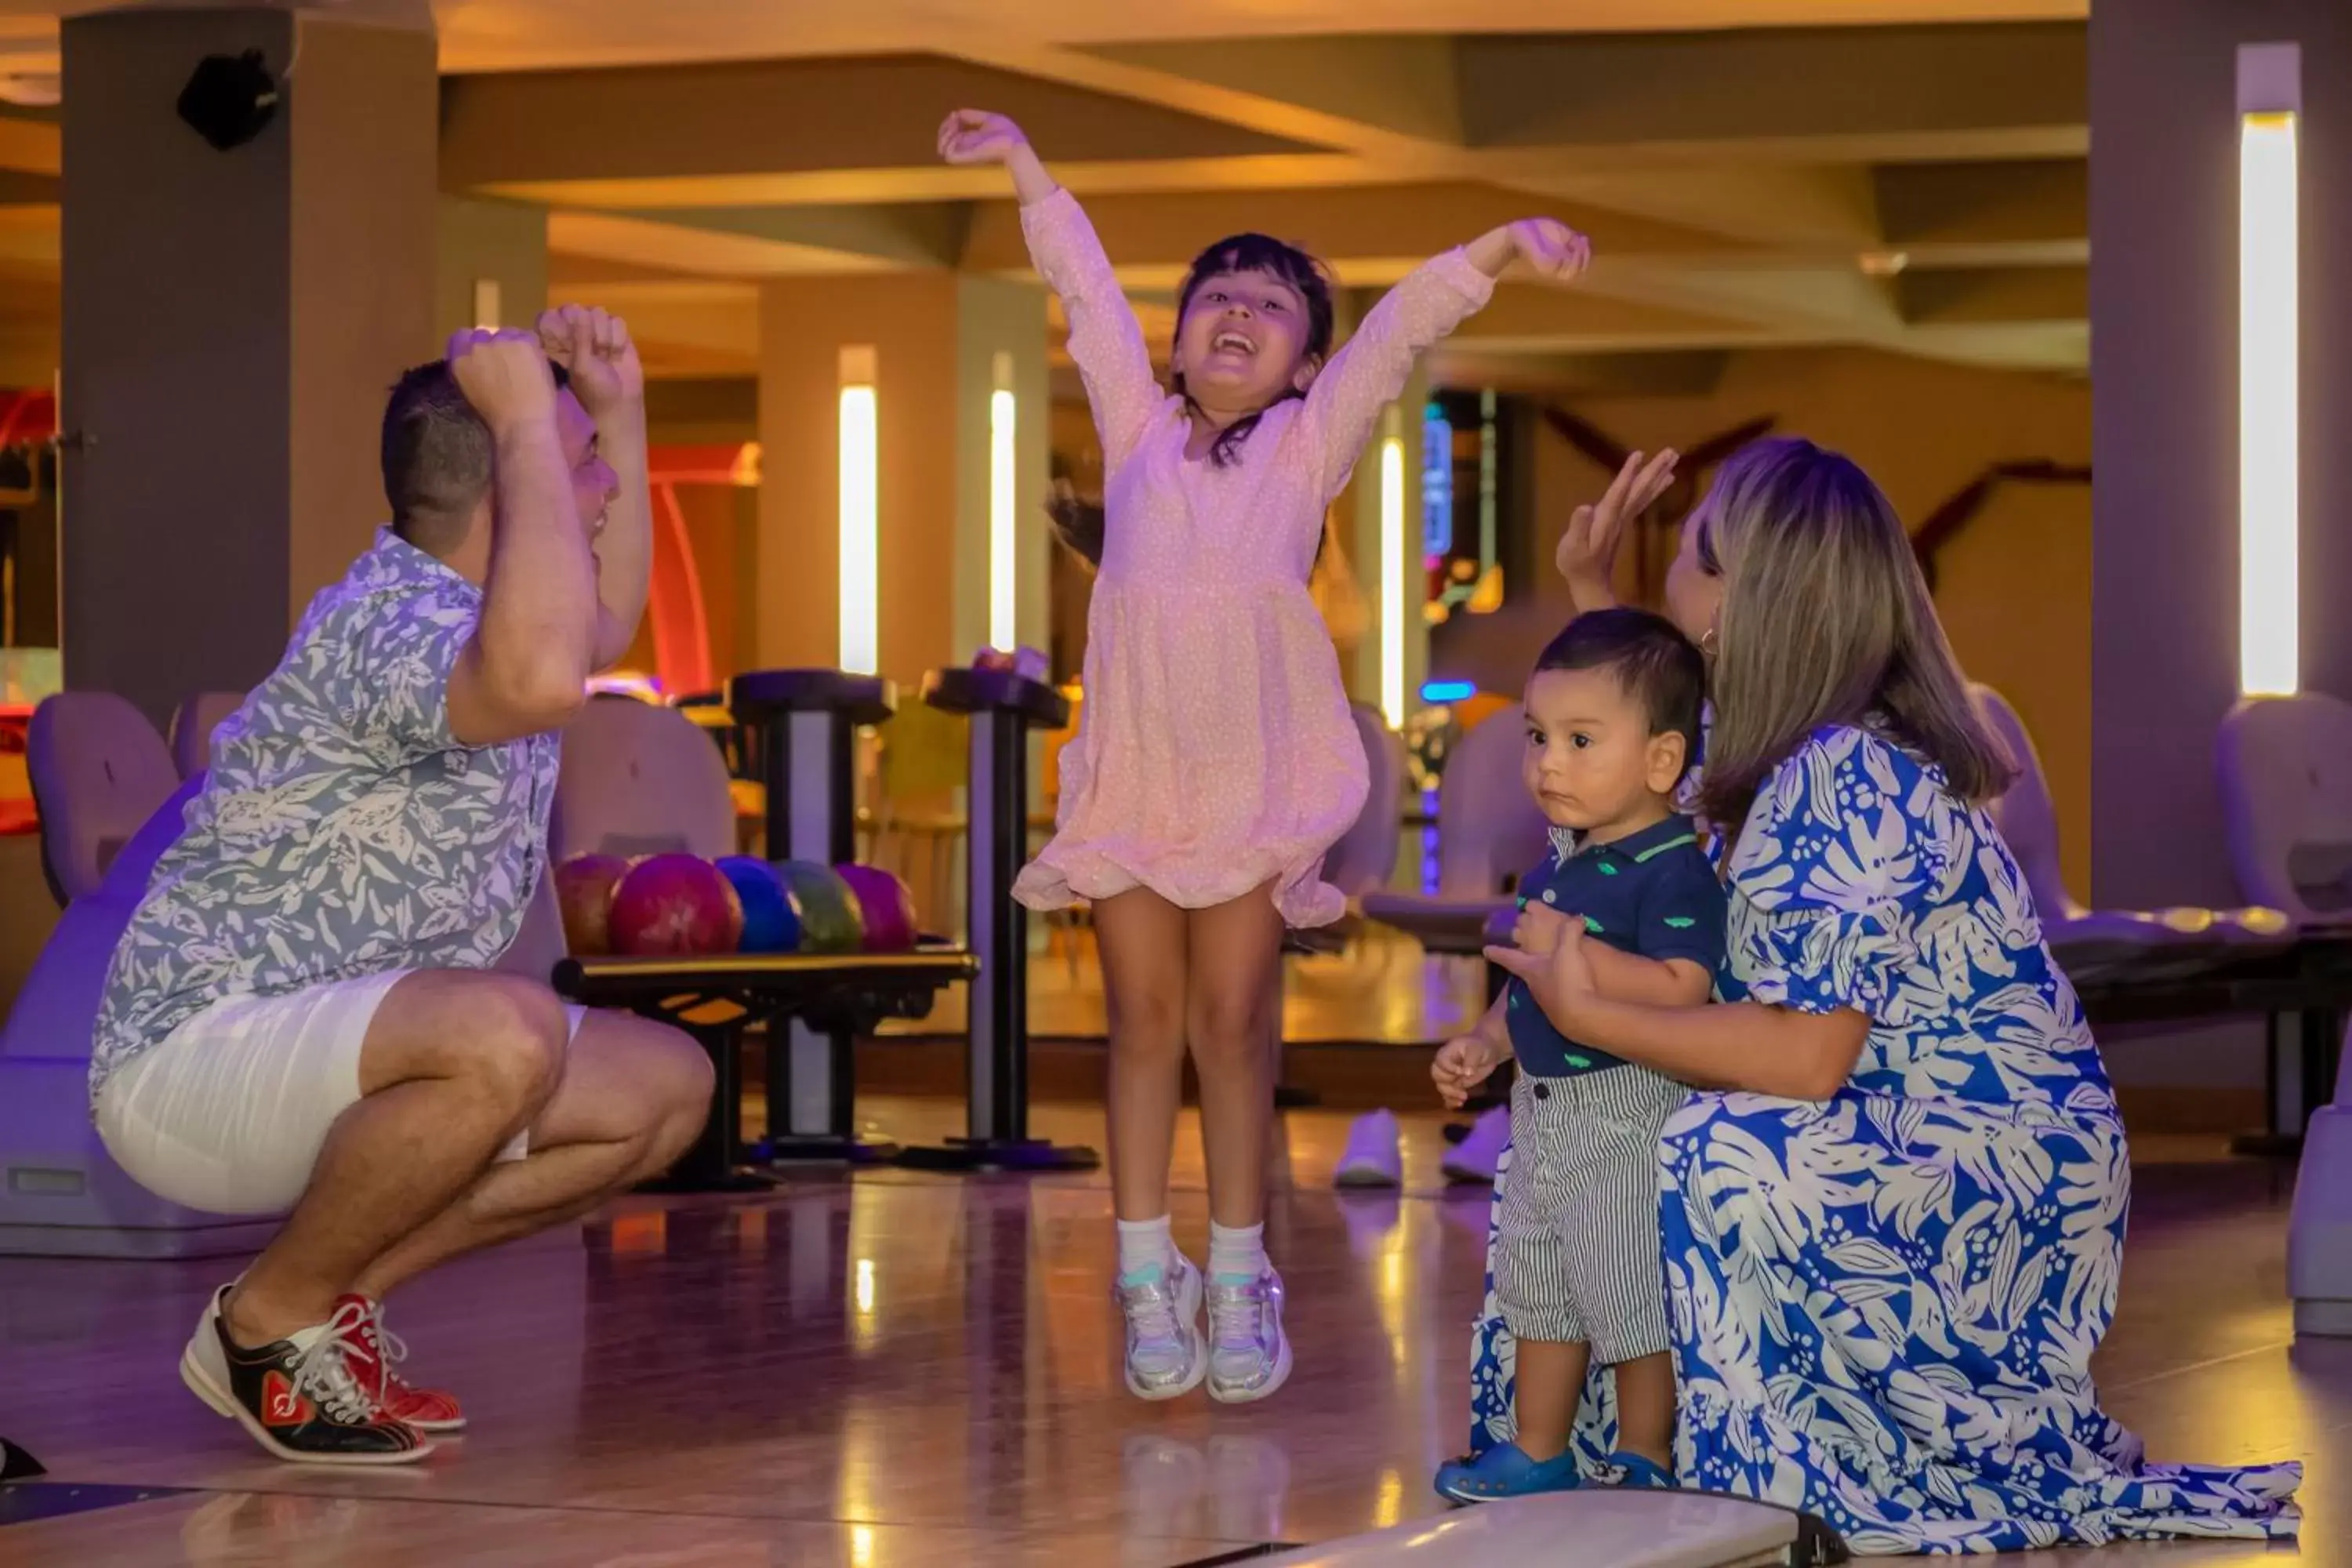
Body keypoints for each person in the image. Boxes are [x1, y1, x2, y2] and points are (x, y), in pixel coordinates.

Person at [1465, 436, 2300, 1548]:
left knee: (1712, 1147)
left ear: (1740, 601)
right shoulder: (1768, 750)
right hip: (1892, 1110)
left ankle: (1776, 1479)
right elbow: (1632, 765)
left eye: (1697, 550)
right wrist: (1589, 590)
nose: (1675, 570)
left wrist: (1586, 1015)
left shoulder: (1842, 772)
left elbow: (1811, 1057)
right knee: (1599, 1137)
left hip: (1983, 1156)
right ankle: (1650, 1450)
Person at [938, 107, 1590, 1403]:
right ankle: (1143, 1272)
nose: (1236, 314)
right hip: (1136, 783)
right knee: (1139, 1024)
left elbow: (1401, 328)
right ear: (1177, 342)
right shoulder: (1132, 427)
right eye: (1214, 299)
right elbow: (1081, 291)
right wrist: (1023, 164)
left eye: (1272, 307)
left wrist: (1502, 248)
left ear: (1305, 366)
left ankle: (1238, 1271)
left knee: (1234, 1026)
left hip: (1245, 791)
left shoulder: (1310, 445)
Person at [88, 309, 715, 1465]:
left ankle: (323, 1300)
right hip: (194, 1060)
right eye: (582, 466)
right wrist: (529, 413)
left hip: (338, 1047)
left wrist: (613, 406)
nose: (605, 488)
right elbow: (534, 681)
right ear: (506, 488)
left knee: (664, 1087)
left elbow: (595, 627)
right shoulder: (392, 624)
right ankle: (266, 1325)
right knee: (507, 1033)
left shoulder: (487, 612)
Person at [1426, 609, 1721, 1501]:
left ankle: (1645, 1451)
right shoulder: (1562, 863)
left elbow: (1681, 988)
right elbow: (1528, 986)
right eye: (1538, 736)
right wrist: (1483, 1041)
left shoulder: (1674, 867)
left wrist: (1574, 954)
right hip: (1544, 1111)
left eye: (1580, 739)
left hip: (1625, 1110)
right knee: (1539, 1285)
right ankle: (1539, 1443)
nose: (1547, 761)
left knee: (1627, 1291)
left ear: (1661, 760)